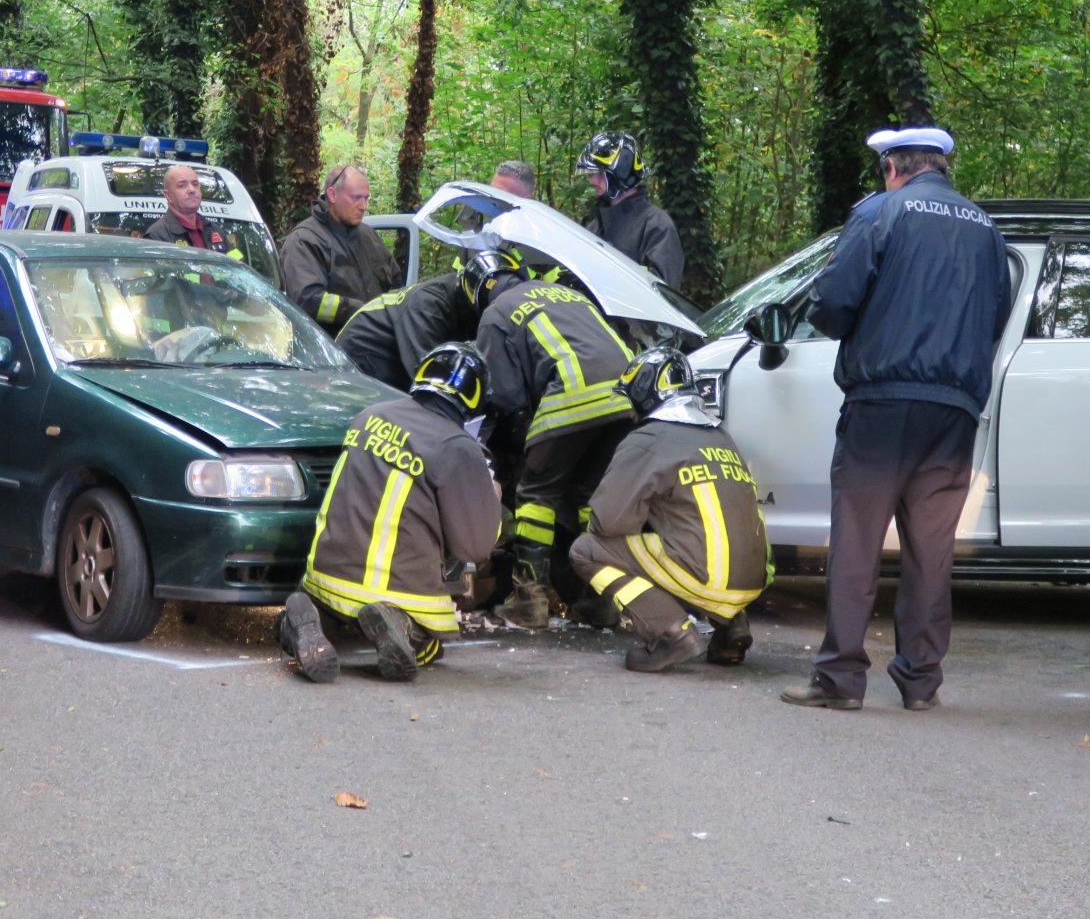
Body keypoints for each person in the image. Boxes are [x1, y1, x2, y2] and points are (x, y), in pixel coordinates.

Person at [780, 124, 1010, 713]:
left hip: (881, 403)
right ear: (939, 165)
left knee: (857, 543)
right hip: (954, 411)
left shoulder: (882, 213)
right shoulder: (986, 229)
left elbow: (833, 304)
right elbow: (996, 316)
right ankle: (920, 683)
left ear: (893, 167)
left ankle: (839, 679)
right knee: (930, 552)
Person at [276, 343, 503, 682]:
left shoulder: (369, 416)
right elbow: (474, 547)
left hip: (325, 575)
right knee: (431, 645)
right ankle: (403, 627)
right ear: (474, 398)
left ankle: (303, 619)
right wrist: (491, 496)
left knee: (331, 612)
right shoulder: (456, 446)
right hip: (398, 586)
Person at [570, 347, 773, 672]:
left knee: (587, 550)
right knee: (695, 535)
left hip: (706, 575)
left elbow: (609, 522)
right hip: (752, 578)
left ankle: (670, 634)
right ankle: (731, 628)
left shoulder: (648, 439)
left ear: (644, 394)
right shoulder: (721, 436)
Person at [474, 274, 638, 628]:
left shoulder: (496, 313)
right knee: (589, 496)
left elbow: (504, 394)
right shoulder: (568, 293)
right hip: (626, 396)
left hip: (574, 394)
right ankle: (600, 599)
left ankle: (528, 599)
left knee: (536, 493)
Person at [338, 247, 529, 390]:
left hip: (394, 355)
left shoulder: (471, 306)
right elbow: (431, 373)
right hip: (364, 358)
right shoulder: (429, 306)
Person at [279, 164, 398, 333]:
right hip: (331, 352)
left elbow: (396, 284)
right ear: (332, 195)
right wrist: (364, 311)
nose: (363, 206)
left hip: (377, 346)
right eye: (356, 198)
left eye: (366, 198)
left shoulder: (368, 236)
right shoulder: (304, 241)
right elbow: (308, 301)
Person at [579, 130, 683, 286]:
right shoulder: (595, 226)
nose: (592, 181)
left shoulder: (656, 226)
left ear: (620, 173)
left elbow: (664, 293)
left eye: (599, 173)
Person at [144, 164, 244, 259]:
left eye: (195, 184)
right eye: (182, 185)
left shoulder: (214, 230)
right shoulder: (157, 235)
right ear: (168, 196)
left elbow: (239, 266)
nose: (191, 190)